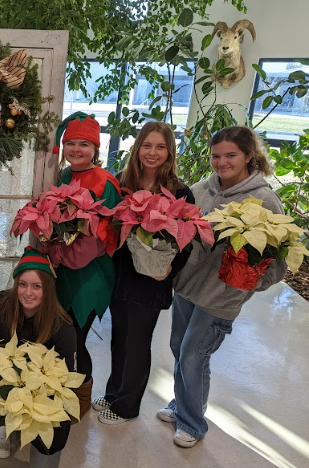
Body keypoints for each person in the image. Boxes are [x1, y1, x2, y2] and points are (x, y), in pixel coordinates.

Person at [160, 126, 287, 447]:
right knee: (178, 349)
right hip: (186, 289)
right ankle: (183, 403)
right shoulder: (202, 189)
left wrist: (243, 285)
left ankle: (192, 423)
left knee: (193, 356)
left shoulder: (264, 200)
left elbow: (278, 265)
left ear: (249, 156)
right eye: (216, 156)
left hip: (220, 300)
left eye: (231, 155)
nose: (222, 162)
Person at [92, 122, 194, 425]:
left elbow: (187, 241)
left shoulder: (180, 192)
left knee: (137, 342)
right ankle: (114, 393)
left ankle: (127, 407)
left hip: (152, 280)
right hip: (121, 275)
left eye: (160, 147)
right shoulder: (122, 183)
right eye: (147, 145)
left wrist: (170, 271)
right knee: (119, 338)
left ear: (169, 152)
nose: (152, 153)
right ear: (138, 148)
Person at [45, 112, 121, 418]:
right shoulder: (64, 178)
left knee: (76, 336)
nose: (76, 150)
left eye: (84, 145)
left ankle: (81, 394)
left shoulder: (106, 183)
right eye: (71, 143)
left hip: (90, 273)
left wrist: (70, 247)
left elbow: (110, 233)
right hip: (64, 270)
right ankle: (64, 388)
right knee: (63, 332)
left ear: (96, 149)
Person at [0, 248, 76, 468]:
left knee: (59, 423)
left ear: (47, 290)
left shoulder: (62, 326)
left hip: (41, 390)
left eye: (37, 286)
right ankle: (0, 423)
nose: (28, 292)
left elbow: (68, 378)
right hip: (2, 380)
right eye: (23, 284)